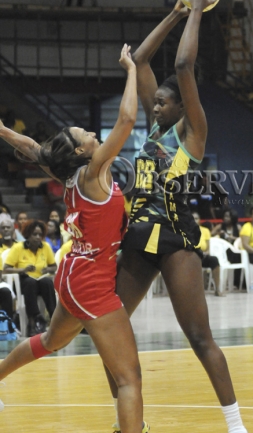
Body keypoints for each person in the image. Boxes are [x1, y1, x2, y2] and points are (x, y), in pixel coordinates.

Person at [107, 0, 248, 433]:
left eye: (164, 102)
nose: (157, 107)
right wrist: (174, 9)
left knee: (199, 336)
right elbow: (142, 60)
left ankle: (235, 423)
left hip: (175, 234)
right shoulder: (154, 129)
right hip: (138, 234)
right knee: (106, 328)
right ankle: (132, 420)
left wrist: (197, 12)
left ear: (181, 107)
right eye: (158, 101)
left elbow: (183, 64)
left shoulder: (192, 132)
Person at [0, 45, 147, 433]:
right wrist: (131, 70)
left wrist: (0, 130)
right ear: (83, 152)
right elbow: (128, 118)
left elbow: (33, 148)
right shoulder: (93, 172)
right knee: (129, 377)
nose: (95, 134)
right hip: (92, 282)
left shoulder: (68, 174)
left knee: (50, 341)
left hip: (71, 273)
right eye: (87, 135)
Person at [4, 219, 57, 336]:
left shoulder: (46, 247)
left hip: (40, 281)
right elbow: (6, 268)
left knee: (47, 282)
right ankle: (33, 323)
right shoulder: (18, 247)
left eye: (40, 234)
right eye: (34, 234)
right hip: (24, 282)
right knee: (30, 282)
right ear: (28, 234)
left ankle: (54, 318)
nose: (37, 237)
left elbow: (54, 266)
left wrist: (47, 269)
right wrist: (23, 269)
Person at [193, 212, 224, 297]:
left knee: (214, 260)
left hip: (202, 255)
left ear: (199, 220)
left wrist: (205, 252)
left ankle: (217, 289)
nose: (194, 220)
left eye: (196, 218)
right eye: (192, 218)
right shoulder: (186, 230)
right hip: (191, 255)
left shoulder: (205, 230)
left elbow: (208, 247)